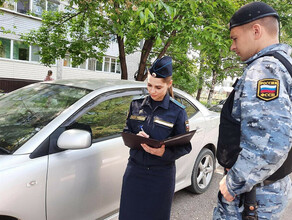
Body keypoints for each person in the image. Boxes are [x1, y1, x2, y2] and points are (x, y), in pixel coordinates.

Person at [213, 2, 292, 220]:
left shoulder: (264, 70)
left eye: (235, 38)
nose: (232, 46)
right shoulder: (284, 65)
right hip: (267, 189)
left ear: (256, 30)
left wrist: (233, 183)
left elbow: (270, 143)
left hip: (252, 197)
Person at [119, 56, 192, 220]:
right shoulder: (136, 105)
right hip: (134, 172)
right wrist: (135, 137)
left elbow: (185, 147)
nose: (152, 91)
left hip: (161, 176)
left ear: (169, 84)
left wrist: (163, 153)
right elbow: (126, 131)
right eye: (149, 85)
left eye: (158, 87)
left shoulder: (178, 111)